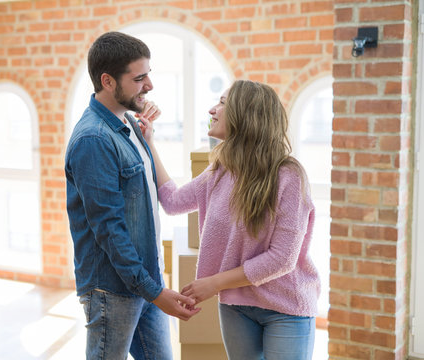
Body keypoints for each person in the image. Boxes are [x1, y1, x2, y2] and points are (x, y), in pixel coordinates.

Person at [139, 80, 320, 360]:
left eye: (222, 103)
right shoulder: (220, 172)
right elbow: (173, 202)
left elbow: (282, 258)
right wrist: (149, 142)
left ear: (245, 114)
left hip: (287, 307)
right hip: (237, 307)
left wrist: (214, 282)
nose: (212, 110)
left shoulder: (289, 176)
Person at [65, 31, 199, 360]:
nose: (150, 86)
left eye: (148, 75)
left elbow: (146, 198)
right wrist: (154, 290)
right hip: (113, 289)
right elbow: (109, 228)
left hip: (144, 280)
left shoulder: (128, 126)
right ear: (108, 81)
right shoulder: (93, 139)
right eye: (139, 78)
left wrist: (148, 138)